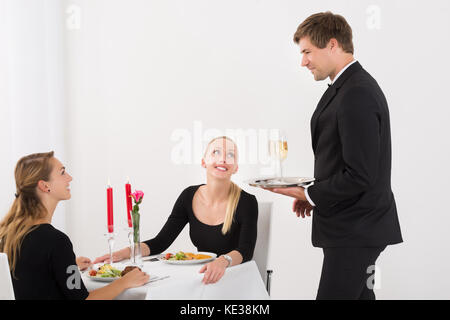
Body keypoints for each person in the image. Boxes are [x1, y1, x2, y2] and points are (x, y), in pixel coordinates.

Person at [264, 12, 403, 299]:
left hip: (357, 229)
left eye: (306, 52)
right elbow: (345, 163)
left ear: (331, 44)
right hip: (355, 225)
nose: (303, 61)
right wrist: (316, 197)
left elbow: (360, 175)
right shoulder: (349, 87)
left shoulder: (356, 92)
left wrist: (310, 194)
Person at [94, 136, 258, 284]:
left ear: (236, 167)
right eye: (216, 152)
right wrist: (123, 253)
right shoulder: (188, 196)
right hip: (204, 276)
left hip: (236, 277)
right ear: (203, 162)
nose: (222, 158)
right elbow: (160, 242)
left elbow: (246, 250)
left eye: (230, 155)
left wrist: (223, 261)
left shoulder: (247, 202)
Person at [0, 151, 149, 300]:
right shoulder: (56, 241)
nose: (69, 178)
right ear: (45, 186)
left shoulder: (8, 235)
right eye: (62, 173)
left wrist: (67, 266)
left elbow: (32, 277)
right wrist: (124, 282)